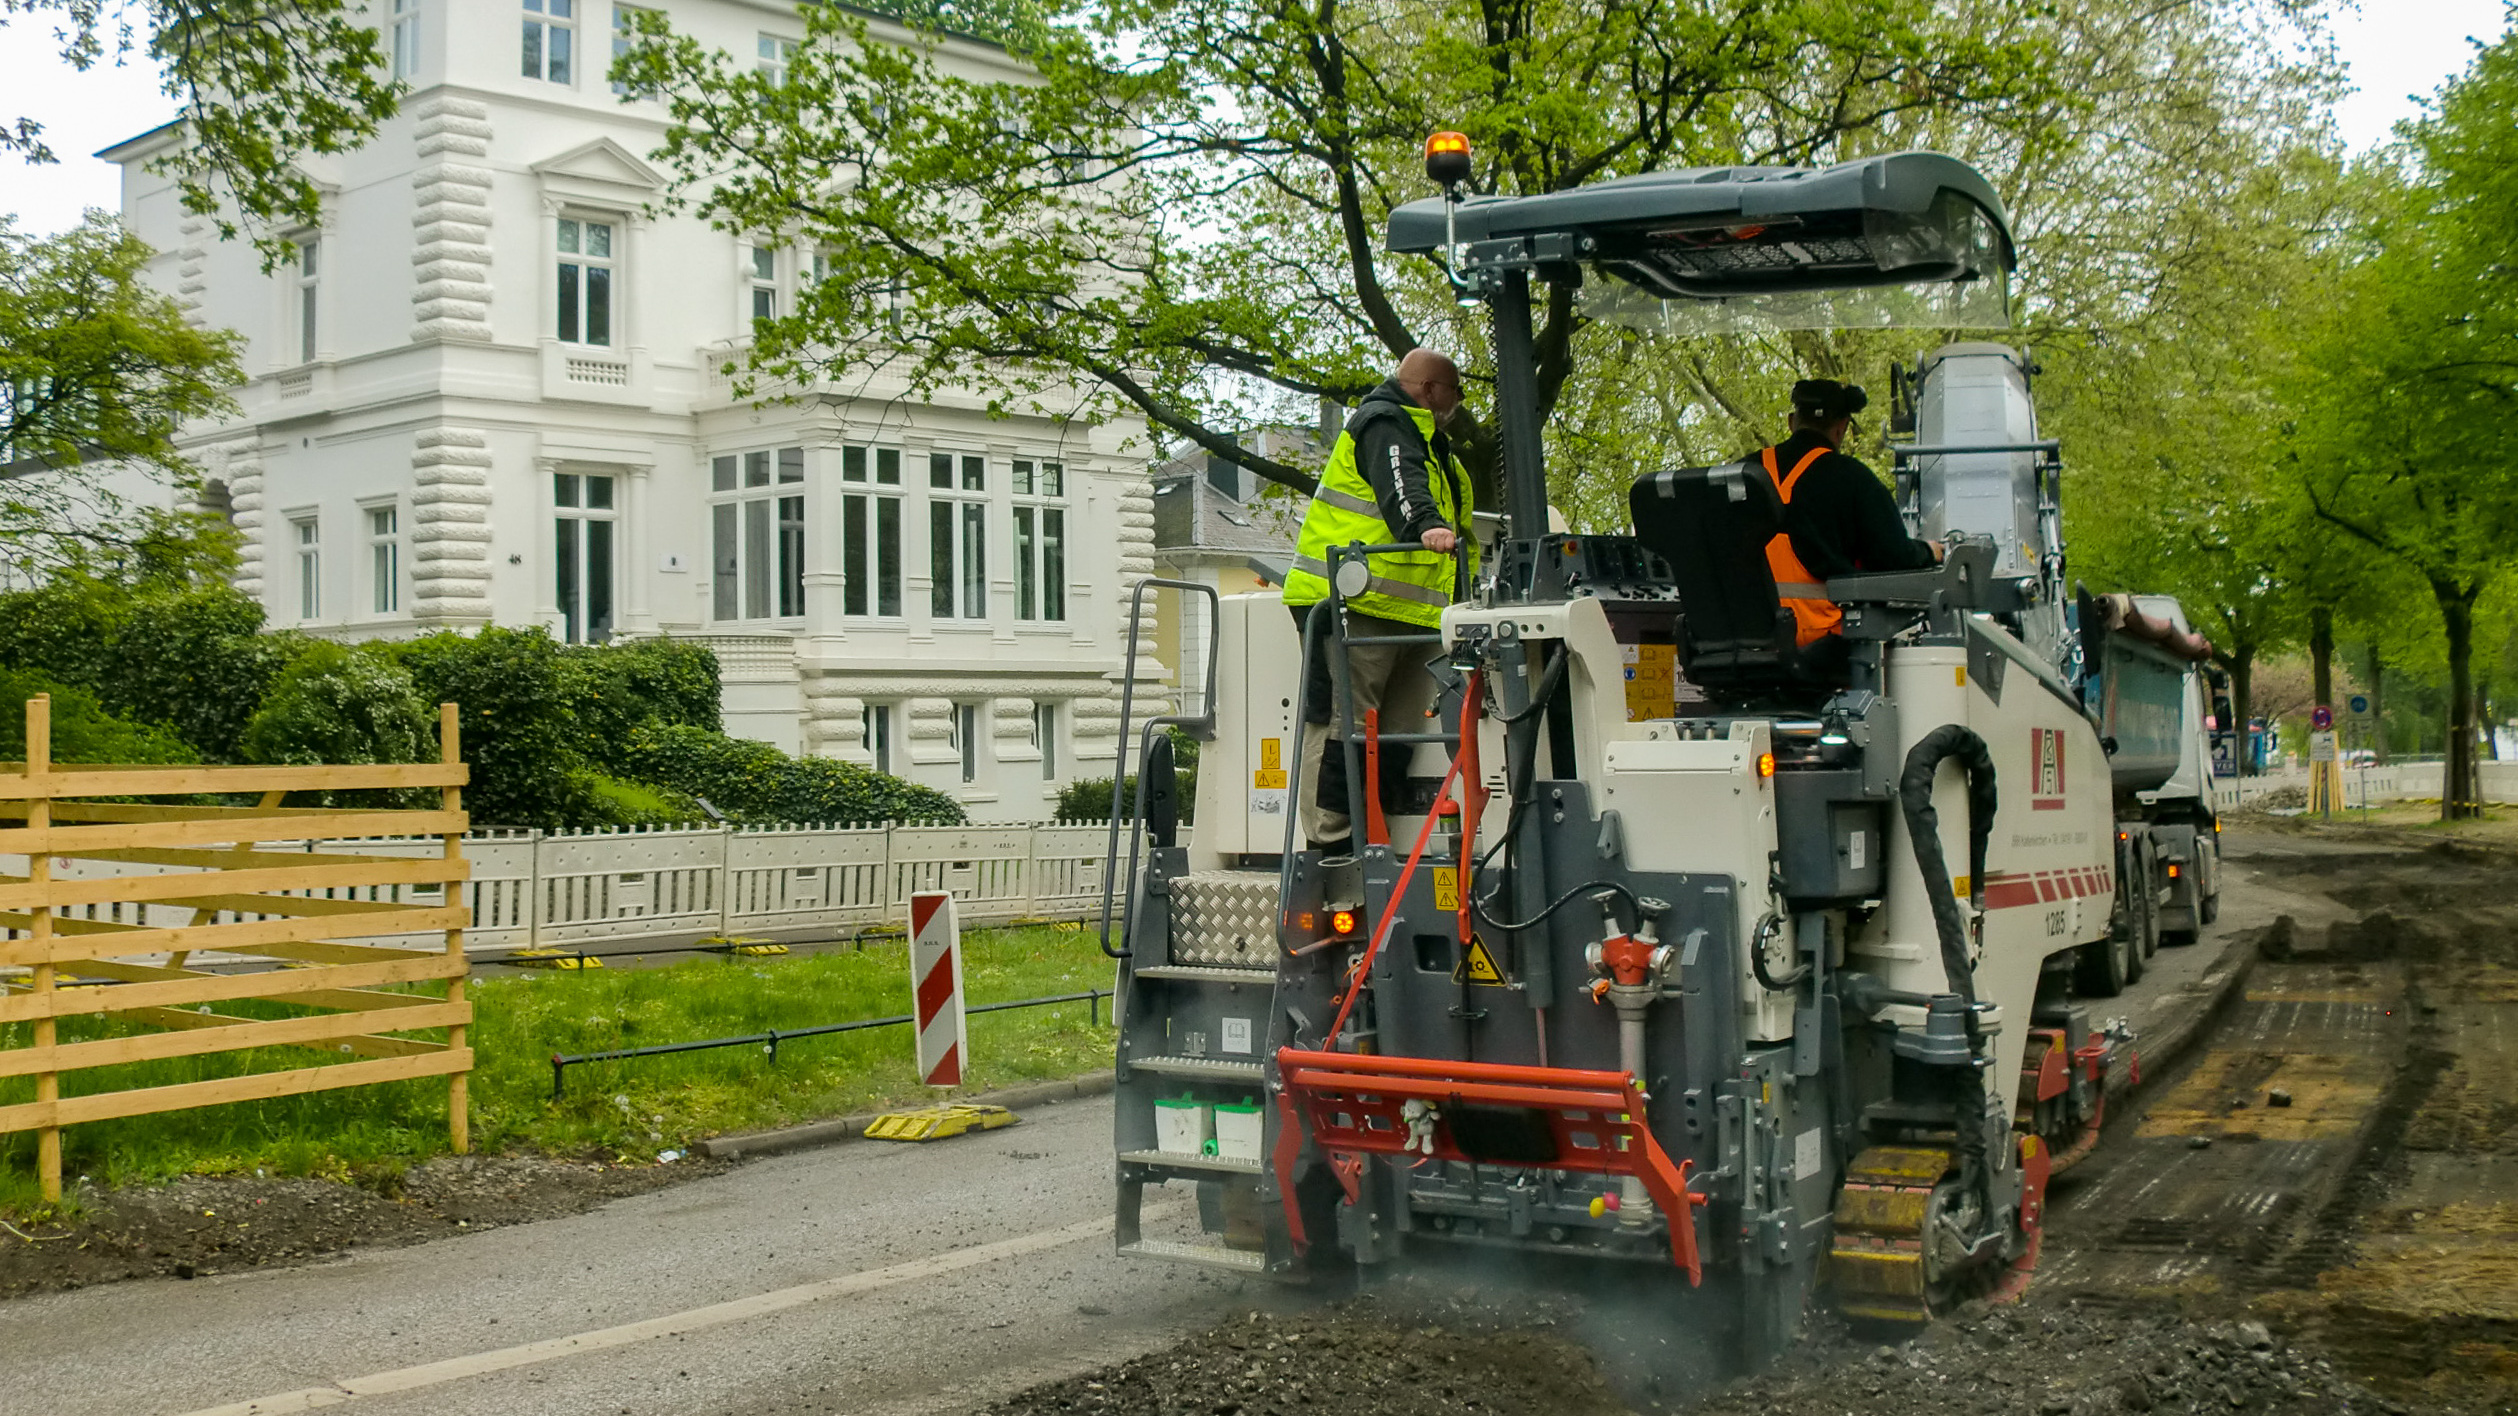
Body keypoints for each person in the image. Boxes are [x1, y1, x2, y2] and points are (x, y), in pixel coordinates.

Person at [1280, 348, 1479, 853]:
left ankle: (1374, 834)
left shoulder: (1431, 442)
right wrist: (1425, 526)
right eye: (1455, 390)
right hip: (1353, 605)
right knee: (1344, 725)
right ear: (1431, 388)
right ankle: (1334, 843)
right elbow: (1403, 486)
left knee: (1394, 732)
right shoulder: (1386, 423)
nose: (1459, 401)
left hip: (1408, 610)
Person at [1757, 378, 1941, 646]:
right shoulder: (1853, 478)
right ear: (1841, 429)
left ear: (1791, 422)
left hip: (1746, 639)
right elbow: (1892, 556)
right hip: (1821, 643)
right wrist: (1929, 552)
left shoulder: (1742, 473)